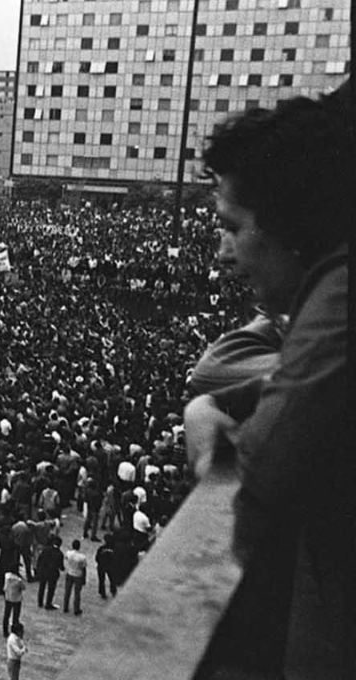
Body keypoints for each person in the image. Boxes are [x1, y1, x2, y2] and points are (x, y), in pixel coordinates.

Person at [186, 91, 355, 676]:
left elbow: (259, 478)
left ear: (290, 222)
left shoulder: (341, 303)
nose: (224, 254)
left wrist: (205, 420)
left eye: (232, 227)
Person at [34, 537, 62, 610]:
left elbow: (40, 559)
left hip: (43, 571)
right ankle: (48, 604)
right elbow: (60, 566)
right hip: (52, 573)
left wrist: (38, 569)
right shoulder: (59, 553)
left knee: (42, 587)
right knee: (51, 589)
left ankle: (40, 602)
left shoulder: (46, 550)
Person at [62, 539, 87, 615]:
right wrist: (84, 578)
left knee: (67, 591)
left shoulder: (68, 553)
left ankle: (65, 607)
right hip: (78, 575)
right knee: (77, 593)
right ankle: (76, 609)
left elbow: (66, 558)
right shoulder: (82, 557)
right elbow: (83, 568)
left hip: (70, 573)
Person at [2, 568, 25, 639]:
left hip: (8, 597)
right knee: (15, 615)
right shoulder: (18, 580)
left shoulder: (7, 576)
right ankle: (14, 630)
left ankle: (5, 631)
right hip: (16, 599)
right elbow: (23, 587)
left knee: (6, 614)